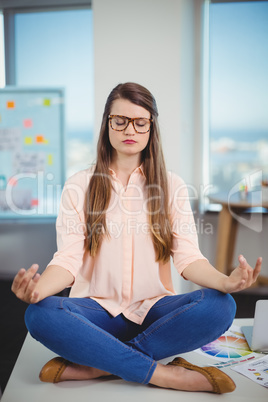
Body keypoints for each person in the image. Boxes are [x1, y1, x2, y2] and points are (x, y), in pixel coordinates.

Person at [12, 82, 261, 394]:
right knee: (39, 314)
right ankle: (165, 375)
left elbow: (188, 258)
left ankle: (99, 365)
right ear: (107, 124)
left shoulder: (172, 186)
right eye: (120, 120)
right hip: (96, 312)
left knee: (221, 306)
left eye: (140, 122)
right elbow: (68, 260)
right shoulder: (79, 185)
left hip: (155, 312)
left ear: (150, 128)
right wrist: (37, 291)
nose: (130, 129)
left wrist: (226, 282)